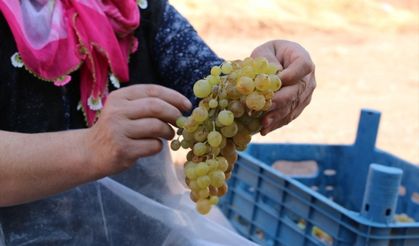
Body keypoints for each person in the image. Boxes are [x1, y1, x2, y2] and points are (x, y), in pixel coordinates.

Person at [0, 0, 316, 245]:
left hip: (142, 236)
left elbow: (216, 99)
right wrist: (90, 148)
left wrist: (271, 74)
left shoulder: (135, 9)